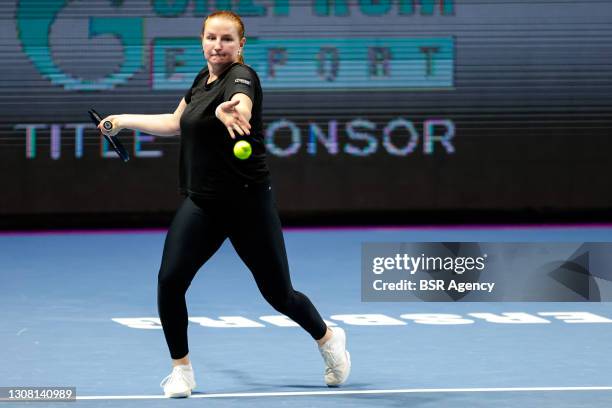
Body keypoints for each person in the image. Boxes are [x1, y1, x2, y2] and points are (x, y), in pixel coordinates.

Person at [98, 10, 351, 398]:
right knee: (170, 282)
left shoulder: (241, 77)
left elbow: (241, 101)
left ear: (241, 45)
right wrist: (123, 120)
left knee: (279, 295)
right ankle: (181, 370)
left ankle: (328, 338)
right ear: (202, 40)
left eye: (227, 39)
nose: (218, 46)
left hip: (248, 204)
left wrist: (231, 109)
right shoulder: (202, 79)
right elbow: (172, 122)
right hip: (202, 205)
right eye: (212, 38)